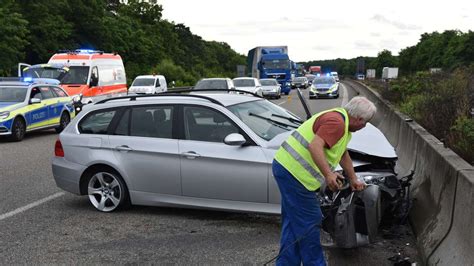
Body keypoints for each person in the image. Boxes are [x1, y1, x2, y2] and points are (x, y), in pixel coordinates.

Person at [272, 96, 377, 265]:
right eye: (365, 123)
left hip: (286, 169)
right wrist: (329, 175)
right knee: (310, 223)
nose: (364, 127)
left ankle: (286, 263)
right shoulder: (337, 123)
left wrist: (353, 178)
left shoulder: (341, 121)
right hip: (295, 175)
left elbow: (342, 153)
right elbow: (314, 146)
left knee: (293, 223)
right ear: (359, 119)